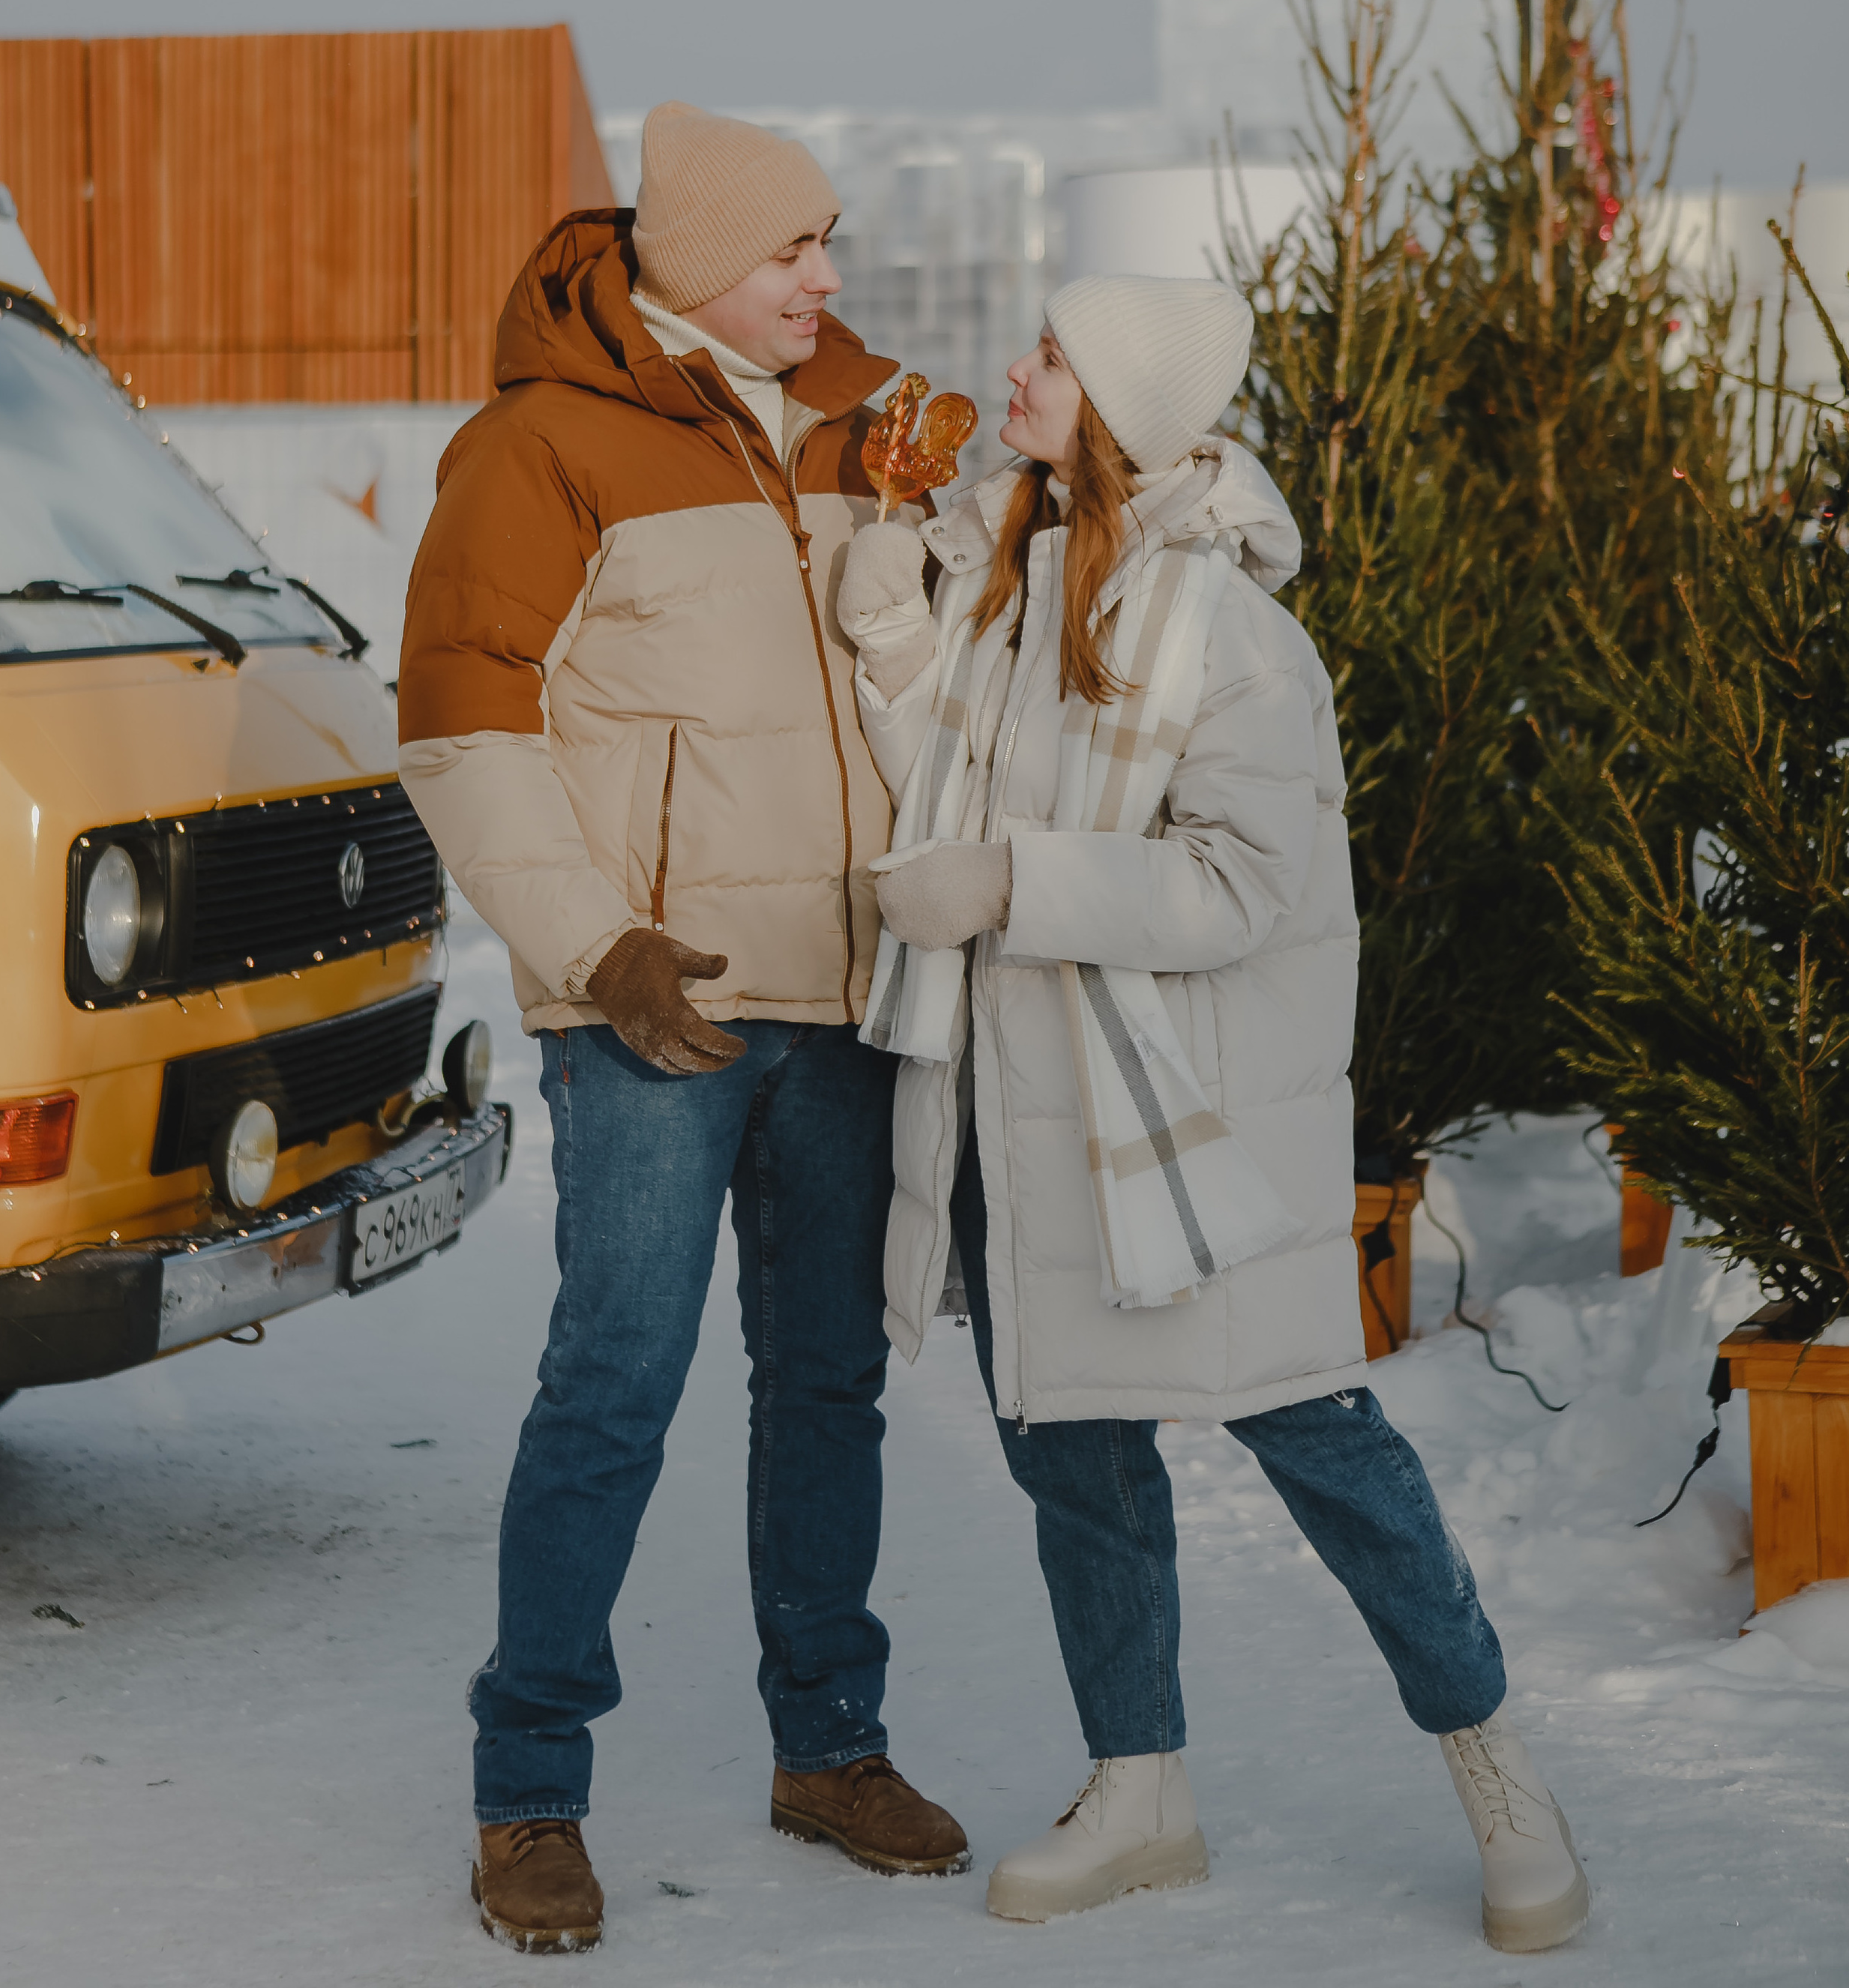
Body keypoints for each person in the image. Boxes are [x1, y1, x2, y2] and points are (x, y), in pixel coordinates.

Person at [834, 274, 1588, 1957]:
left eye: (1049, 355)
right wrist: (894, 632)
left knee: (1324, 1446)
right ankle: (1139, 1790)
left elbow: (1240, 884)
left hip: (1183, 1133)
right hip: (1017, 1113)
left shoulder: (1228, 629)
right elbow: (946, 777)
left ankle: (1496, 1767)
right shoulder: (1009, 575)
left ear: (1117, 405)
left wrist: (1013, 882)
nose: (1011, 369)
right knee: (1074, 1461)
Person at [398, 103, 970, 1954]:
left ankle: (831, 1749)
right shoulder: (539, 445)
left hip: (845, 994)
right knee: (611, 1389)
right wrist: (597, 946)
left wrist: (945, 505)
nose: (826, 276)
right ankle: (528, 1790)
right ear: (701, 258)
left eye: (826, 243)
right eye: (793, 248)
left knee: (826, 1386)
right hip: (655, 1006)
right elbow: (463, 727)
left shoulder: (857, 425)